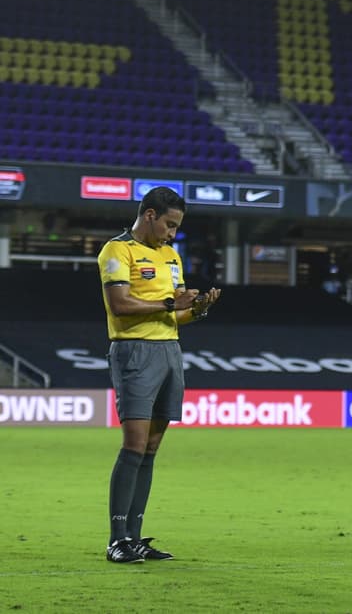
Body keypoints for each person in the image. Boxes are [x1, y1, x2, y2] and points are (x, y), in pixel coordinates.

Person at [98, 186, 221, 564]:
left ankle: (135, 537)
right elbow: (120, 306)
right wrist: (170, 302)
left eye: (177, 227)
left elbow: (176, 315)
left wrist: (197, 309)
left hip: (170, 350)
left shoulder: (171, 257)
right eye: (169, 225)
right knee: (133, 445)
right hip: (134, 351)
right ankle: (117, 539)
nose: (172, 233)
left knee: (151, 448)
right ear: (149, 215)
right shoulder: (117, 250)